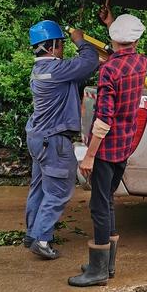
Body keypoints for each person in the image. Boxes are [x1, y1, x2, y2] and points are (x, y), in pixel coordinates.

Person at [68, 10, 147, 286]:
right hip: (125, 145)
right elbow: (122, 51)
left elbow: (103, 119)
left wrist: (89, 156)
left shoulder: (109, 71)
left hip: (105, 148)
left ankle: (98, 270)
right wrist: (112, 24)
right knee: (108, 200)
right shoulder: (141, 63)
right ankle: (108, 264)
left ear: (114, 40)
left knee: (99, 206)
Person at [24, 20, 98, 260]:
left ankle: (32, 233)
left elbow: (78, 75)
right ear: (51, 46)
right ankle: (42, 239)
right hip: (54, 141)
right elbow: (88, 61)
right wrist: (80, 39)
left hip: (38, 138)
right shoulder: (56, 70)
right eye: (61, 44)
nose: (64, 48)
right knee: (58, 191)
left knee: (39, 188)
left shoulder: (41, 71)